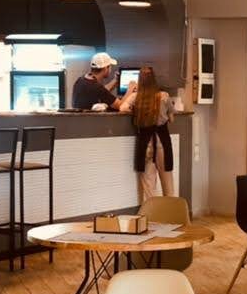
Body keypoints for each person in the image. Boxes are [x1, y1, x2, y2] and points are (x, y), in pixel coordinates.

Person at [131, 66, 175, 201]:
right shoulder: (164, 96)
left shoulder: (136, 97)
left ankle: (152, 213)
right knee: (167, 183)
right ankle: (172, 212)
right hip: (162, 141)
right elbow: (171, 119)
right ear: (154, 79)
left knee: (149, 186)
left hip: (145, 143)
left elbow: (122, 107)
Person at [72, 52, 136, 111]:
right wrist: (130, 89)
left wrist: (115, 80)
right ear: (106, 68)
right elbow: (121, 106)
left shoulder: (81, 80)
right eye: (110, 66)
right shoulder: (96, 87)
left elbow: (102, 92)